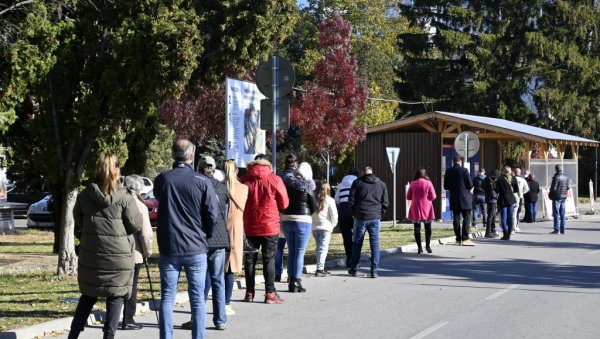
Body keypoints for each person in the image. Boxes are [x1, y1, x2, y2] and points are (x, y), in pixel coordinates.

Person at [69, 153, 142, 339]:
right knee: (115, 297)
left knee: (88, 296)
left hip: (92, 256)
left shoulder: (85, 195)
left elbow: (78, 221)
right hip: (118, 258)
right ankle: (108, 336)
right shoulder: (125, 198)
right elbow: (135, 224)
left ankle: (73, 334)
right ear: (117, 170)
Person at [154, 139, 220, 339]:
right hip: (195, 246)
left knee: (167, 297)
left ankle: (166, 336)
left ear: (174, 155)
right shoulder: (202, 181)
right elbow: (212, 215)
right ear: (191, 156)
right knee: (198, 299)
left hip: (169, 246)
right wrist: (205, 235)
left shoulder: (163, 179)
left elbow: (158, 198)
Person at [241, 155, 289, 303]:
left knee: (250, 259)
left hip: (250, 225)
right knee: (269, 259)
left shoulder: (244, 180)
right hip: (269, 225)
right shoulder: (275, 179)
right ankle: (269, 293)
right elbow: (284, 203)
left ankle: (249, 292)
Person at [194, 156, 230, 331]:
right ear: (214, 170)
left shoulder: (196, 185)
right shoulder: (222, 187)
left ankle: (197, 320)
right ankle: (220, 319)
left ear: (199, 168)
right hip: (219, 237)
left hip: (201, 237)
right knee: (218, 281)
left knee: (198, 282)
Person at [121, 175, 153, 331]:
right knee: (131, 287)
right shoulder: (140, 205)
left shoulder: (117, 199)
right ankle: (128, 319)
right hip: (134, 253)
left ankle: (113, 320)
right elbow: (146, 234)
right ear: (139, 188)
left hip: (116, 251)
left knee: (117, 285)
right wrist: (148, 252)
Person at [281, 162, 317, 292]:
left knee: (291, 251)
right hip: (303, 220)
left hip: (287, 219)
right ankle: (297, 280)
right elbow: (314, 205)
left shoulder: (287, 184)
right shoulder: (308, 186)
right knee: (300, 252)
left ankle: (290, 280)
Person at [348, 166, 388, 278]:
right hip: (375, 216)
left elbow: (351, 200)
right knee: (375, 244)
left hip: (360, 216)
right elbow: (385, 202)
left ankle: (354, 268)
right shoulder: (381, 184)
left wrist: (353, 213)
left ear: (362, 173)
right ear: (372, 173)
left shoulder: (357, 182)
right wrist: (380, 215)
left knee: (357, 243)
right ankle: (374, 271)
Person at [222, 159, 248, 315]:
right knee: (230, 268)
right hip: (236, 228)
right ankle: (226, 302)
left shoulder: (218, 187)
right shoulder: (243, 188)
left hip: (219, 226)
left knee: (215, 267)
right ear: (236, 171)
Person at [274, 154, 297, 282]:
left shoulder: (279, 176)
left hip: (279, 212)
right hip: (293, 212)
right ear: (295, 164)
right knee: (292, 247)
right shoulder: (297, 177)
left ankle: (277, 273)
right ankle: (291, 274)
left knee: (279, 246)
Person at [443, 156, 475, 246]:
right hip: (465, 198)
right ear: (460, 162)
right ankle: (465, 238)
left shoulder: (448, 171)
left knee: (456, 218)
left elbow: (446, 187)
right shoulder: (464, 170)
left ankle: (458, 239)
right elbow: (470, 185)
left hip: (454, 198)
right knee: (467, 217)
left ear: (453, 162)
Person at [406, 167, 437, 254]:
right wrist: (428, 199)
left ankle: (419, 248)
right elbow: (434, 196)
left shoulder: (413, 183)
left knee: (416, 228)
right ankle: (428, 246)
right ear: (425, 174)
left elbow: (408, 196)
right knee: (428, 228)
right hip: (427, 207)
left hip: (416, 207)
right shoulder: (428, 183)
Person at [312, 181, 338, 276]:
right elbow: (334, 215)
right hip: (326, 227)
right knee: (323, 248)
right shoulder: (330, 200)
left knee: (319, 247)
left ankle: (320, 266)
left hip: (315, 227)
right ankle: (320, 268)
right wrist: (332, 225)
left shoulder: (313, 200)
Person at [335, 168, 359, 268]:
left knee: (346, 237)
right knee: (357, 236)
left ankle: (349, 259)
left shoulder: (340, 185)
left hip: (343, 212)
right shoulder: (358, 184)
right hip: (355, 212)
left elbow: (336, 199)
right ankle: (355, 260)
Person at [549, 164, 570, 234]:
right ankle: (563, 229)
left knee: (556, 214)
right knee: (562, 214)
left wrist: (550, 194)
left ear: (556, 169)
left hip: (556, 197)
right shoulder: (566, 177)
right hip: (563, 197)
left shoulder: (556, 177)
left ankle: (556, 229)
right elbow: (568, 187)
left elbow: (553, 188)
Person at [497, 166, 516, 240]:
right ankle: (509, 234)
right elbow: (516, 190)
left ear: (503, 171)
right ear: (510, 171)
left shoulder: (500, 179)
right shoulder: (513, 178)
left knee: (503, 218)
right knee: (510, 217)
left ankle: (505, 234)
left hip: (503, 200)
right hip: (511, 199)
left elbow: (497, 190)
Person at [483, 169, 501, 238]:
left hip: (488, 199)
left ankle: (492, 230)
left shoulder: (486, 179)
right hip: (492, 200)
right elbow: (493, 190)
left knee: (492, 215)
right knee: (490, 216)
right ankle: (488, 232)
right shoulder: (491, 180)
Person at [512, 168, 529, 232]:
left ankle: (512, 225)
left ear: (514, 172)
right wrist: (522, 193)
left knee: (513, 211)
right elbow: (527, 189)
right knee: (518, 211)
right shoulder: (523, 180)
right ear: (520, 172)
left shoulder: (511, 179)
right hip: (520, 197)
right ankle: (516, 225)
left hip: (512, 196)